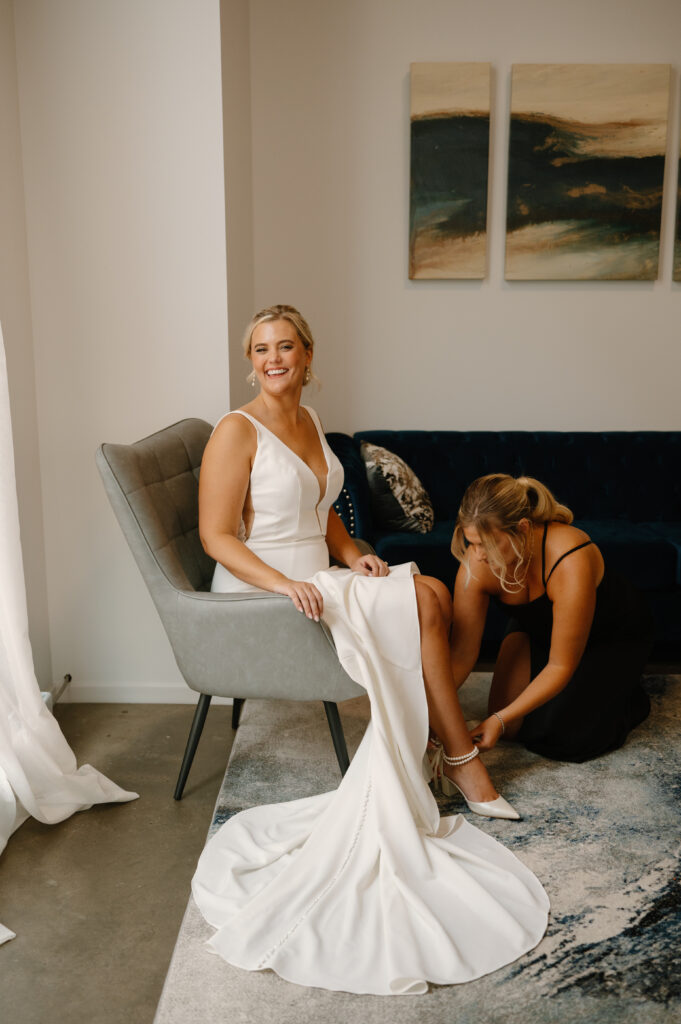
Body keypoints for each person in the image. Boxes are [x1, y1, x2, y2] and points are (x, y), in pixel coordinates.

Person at [191, 306, 548, 995]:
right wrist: (288, 583)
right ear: (249, 359)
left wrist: (355, 555)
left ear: (306, 354)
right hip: (263, 591)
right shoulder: (235, 430)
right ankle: (460, 762)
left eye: (285, 346)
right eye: (261, 348)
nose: (273, 359)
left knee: (434, 597)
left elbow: (321, 511)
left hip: (317, 577)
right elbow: (216, 536)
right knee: (425, 600)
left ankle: (435, 745)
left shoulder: (308, 421)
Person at [449, 473, 654, 763]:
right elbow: (460, 654)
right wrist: (431, 713)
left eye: (488, 544)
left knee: (567, 739)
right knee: (511, 729)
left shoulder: (569, 557)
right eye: (473, 543)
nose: (479, 556)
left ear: (521, 528)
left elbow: (561, 664)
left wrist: (500, 719)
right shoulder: (477, 559)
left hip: (610, 634)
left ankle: (628, 695)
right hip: (538, 627)